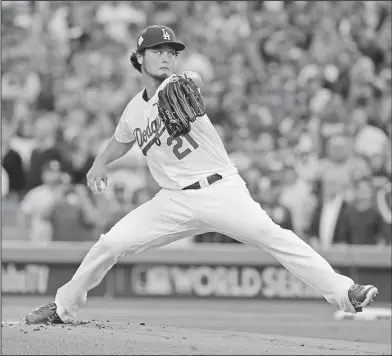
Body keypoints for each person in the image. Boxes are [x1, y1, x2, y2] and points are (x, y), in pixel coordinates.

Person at [26, 25, 378, 325]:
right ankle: (63, 307)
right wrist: (99, 163)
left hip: (220, 189)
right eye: (158, 50)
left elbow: (191, 82)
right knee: (110, 244)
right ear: (139, 58)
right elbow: (121, 141)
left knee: (273, 235)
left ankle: (345, 293)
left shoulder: (177, 84)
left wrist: (187, 81)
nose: (167, 56)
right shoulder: (134, 110)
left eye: (171, 51)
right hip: (172, 200)